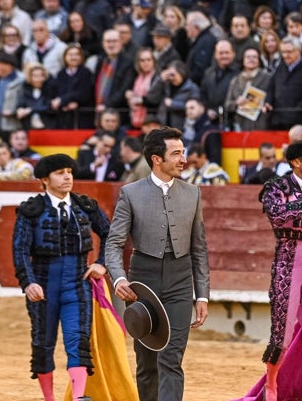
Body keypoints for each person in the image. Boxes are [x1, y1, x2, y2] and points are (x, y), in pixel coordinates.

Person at [106, 127, 210, 401]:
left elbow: (199, 249)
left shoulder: (193, 193)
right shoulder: (131, 193)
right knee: (148, 362)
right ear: (156, 158)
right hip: (143, 282)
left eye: (183, 152)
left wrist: (202, 295)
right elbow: (114, 243)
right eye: (176, 153)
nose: (183, 159)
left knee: (171, 358)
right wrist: (118, 278)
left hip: (179, 281)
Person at [11, 153, 112, 401]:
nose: (67, 177)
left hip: (77, 283)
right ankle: (49, 399)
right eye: (60, 173)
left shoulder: (86, 206)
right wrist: (28, 281)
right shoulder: (31, 210)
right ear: (45, 180)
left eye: (69, 171)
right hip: (43, 285)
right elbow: (20, 248)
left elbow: (112, 235)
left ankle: (78, 397)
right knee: (43, 344)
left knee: (78, 339)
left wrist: (102, 264)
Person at [236, 140, 302, 401]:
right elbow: (277, 215)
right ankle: (272, 387)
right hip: (288, 266)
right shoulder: (278, 187)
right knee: (282, 336)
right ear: (297, 162)